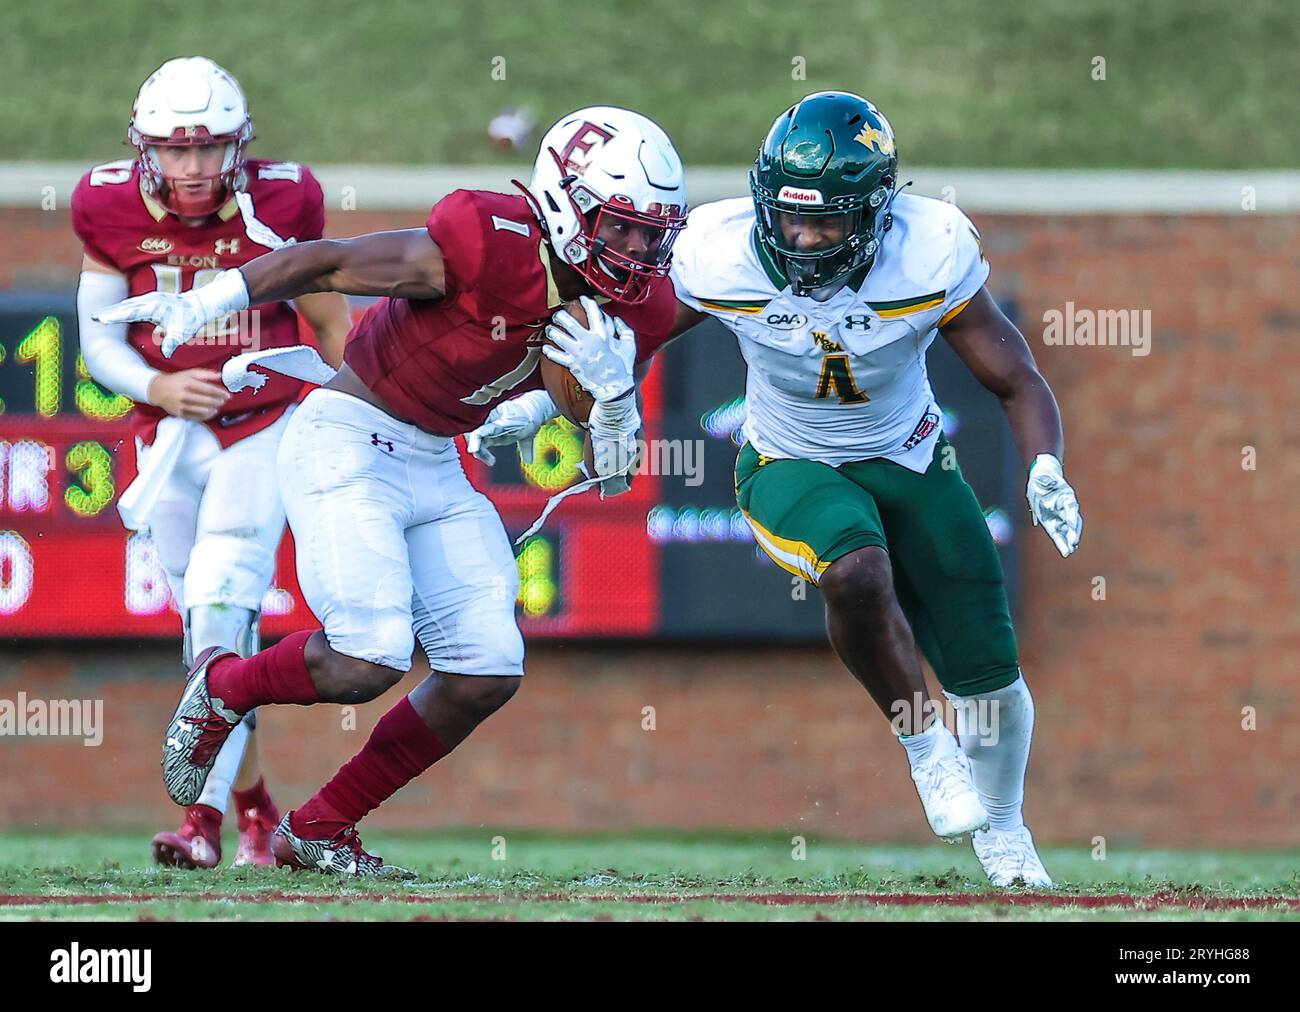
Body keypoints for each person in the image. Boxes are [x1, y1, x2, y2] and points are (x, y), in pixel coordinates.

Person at [474, 91, 1083, 888]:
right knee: (855, 569)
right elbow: (630, 344)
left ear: (874, 213)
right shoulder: (717, 253)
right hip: (788, 460)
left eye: (826, 221)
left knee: (992, 679)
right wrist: (542, 404)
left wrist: (1045, 463)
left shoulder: (929, 252)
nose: (802, 236)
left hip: (911, 457)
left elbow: (1016, 377)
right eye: (790, 215)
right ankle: (927, 749)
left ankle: (1006, 837)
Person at [98, 106, 688, 877]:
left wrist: (613, 401)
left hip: (434, 459)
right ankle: (222, 683)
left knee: (486, 666)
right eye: (622, 227)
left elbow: (612, 473)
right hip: (347, 433)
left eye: (654, 233)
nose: (639, 250)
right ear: (566, 201)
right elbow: (328, 262)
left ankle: (321, 826)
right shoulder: (487, 242)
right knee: (366, 656)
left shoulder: (633, 302)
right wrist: (210, 301)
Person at [72, 56, 351, 868]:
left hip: (261, 427)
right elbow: (96, 339)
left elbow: (330, 319)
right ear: (144, 147)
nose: (192, 166)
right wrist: (159, 382)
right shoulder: (105, 201)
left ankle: (200, 826)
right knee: (206, 642)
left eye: (209, 148)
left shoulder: (286, 197)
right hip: (167, 439)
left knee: (222, 610)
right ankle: (258, 808)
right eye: (175, 149)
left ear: (239, 146)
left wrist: (360, 410)